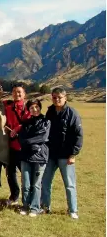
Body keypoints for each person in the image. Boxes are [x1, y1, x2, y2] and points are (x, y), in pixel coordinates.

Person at [41, 88, 83, 219]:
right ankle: (45, 207)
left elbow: (78, 135)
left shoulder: (72, 114)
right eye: (54, 97)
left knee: (69, 184)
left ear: (65, 98)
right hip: (51, 154)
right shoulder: (50, 112)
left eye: (59, 97)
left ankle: (73, 210)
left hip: (66, 155)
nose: (57, 99)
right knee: (45, 182)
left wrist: (73, 154)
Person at [18, 99, 50, 217]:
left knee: (36, 184)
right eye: (31, 108)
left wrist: (28, 142)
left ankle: (35, 207)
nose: (34, 109)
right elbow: (21, 138)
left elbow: (43, 137)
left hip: (40, 156)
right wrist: (30, 142)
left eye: (36, 107)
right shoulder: (26, 123)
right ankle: (25, 205)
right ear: (28, 110)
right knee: (25, 183)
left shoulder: (46, 121)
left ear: (40, 107)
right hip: (26, 156)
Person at [4, 83, 30, 206]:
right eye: (14, 91)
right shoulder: (8, 107)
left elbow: (32, 122)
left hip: (23, 147)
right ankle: (14, 196)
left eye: (19, 91)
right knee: (10, 174)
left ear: (24, 94)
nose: (17, 94)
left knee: (25, 174)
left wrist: (19, 127)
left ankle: (29, 197)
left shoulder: (29, 108)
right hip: (11, 146)